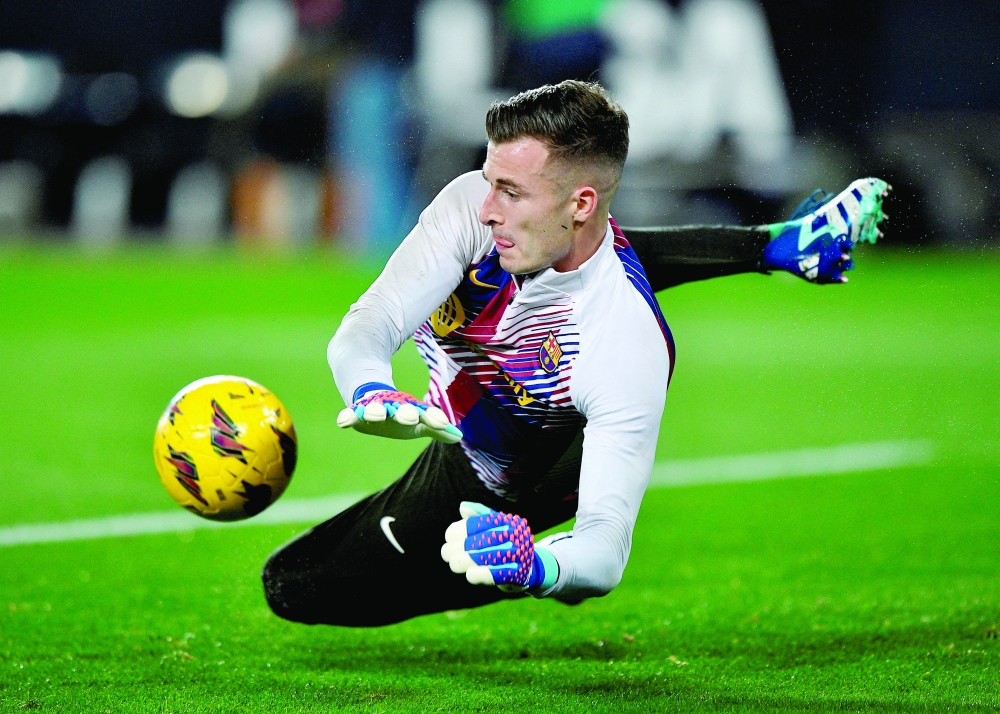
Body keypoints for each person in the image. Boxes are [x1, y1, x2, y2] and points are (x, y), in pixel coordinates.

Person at [262, 80, 889, 626]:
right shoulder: (473, 212)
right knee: (565, 257)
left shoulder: (626, 341)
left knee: (295, 587)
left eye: (510, 191)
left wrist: (537, 566)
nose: (486, 207)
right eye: (489, 183)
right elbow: (368, 324)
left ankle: (775, 245)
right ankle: (780, 244)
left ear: (581, 200)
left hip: (516, 478)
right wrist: (369, 386)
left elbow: (604, 551)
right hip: (470, 428)